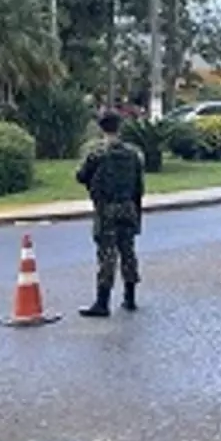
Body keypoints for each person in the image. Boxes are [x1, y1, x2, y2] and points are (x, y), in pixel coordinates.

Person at [76, 108, 146, 316]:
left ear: (101, 128)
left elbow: (81, 176)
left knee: (107, 255)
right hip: (128, 207)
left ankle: (102, 302)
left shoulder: (97, 154)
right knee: (128, 251)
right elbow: (139, 187)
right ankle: (130, 297)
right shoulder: (133, 154)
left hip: (107, 209)